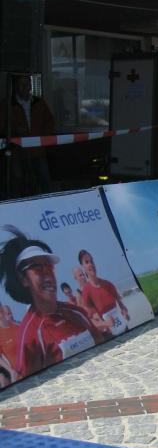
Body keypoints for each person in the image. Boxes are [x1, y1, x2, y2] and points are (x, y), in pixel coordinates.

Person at [0, 226, 103, 378]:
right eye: (37, 268)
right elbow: (29, 384)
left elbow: (101, 346)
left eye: (48, 266)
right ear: (23, 279)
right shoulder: (30, 335)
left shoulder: (77, 313)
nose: (47, 275)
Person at [0, 75, 56, 197]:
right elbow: (2, 126)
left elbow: (49, 121)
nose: (25, 87)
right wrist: (14, 132)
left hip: (38, 150)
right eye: (21, 84)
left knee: (45, 180)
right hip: (17, 151)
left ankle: (48, 202)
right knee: (18, 182)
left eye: (27, 84)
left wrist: (42, 137)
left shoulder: (39, 103)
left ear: (31, 85)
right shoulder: (7, 104)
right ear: (15, 87)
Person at [78, 250, 130, 338]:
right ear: (82, 267)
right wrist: (106, 323)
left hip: (124, 328)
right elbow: (90, 321)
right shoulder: (86, 291)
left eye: (91, 261)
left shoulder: (108, 284)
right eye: (87, 262)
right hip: (110, 336)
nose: (91, 264)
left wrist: (125, 313)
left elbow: (122, 305)